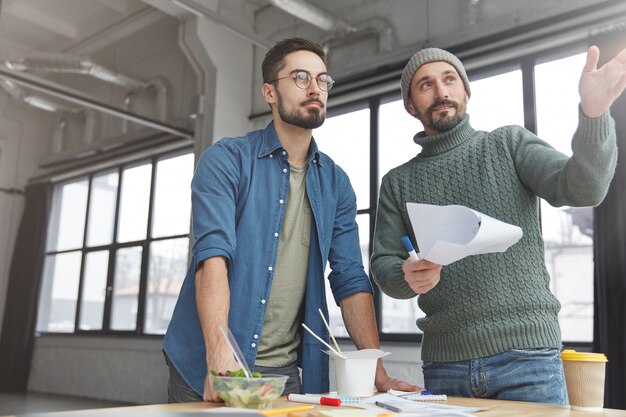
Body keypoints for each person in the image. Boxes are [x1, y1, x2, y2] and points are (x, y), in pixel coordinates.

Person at [162, 37, 418, 403]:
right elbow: (212, 259)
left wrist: (378, 373)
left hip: (285, 375)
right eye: (300, 77)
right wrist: (219, 359)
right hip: (210, 362)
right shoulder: (227, 160)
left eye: (322, 80)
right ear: (269, 92)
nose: (315, 88)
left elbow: (350, 278)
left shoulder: (336, 183)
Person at [371, 45, 626, 404]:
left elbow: (585, 187)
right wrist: (406, 274)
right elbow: (383, 265)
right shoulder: (397, 182)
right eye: (425, 85)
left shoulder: (508, 144)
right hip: (446, 366)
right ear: (411, 104)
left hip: (528, 360)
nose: (441, 91)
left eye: (449, 80)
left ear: (466, 91)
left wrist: (594, 113)